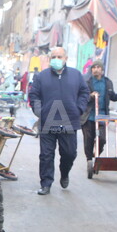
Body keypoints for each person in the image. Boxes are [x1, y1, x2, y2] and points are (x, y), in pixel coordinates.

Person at [27, 46, 90, 195]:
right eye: (53, 57)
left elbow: (84, 92)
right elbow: (34, 95)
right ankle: (46, 184)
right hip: (47, 121)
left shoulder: (76, 75)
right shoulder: (41, 77)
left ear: (66, 58)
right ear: (49, 59)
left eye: (59, 57)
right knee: (46, 155)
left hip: (69, 120)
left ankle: (64, 172)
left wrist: (79, 108)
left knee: (69, 153)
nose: (56, 60)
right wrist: (39, 111)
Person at [81, 60, 117, 164]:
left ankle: (96, 154)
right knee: (89, 140)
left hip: (102, 116)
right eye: (93, 68)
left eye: (98, 67)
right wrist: (90, 96)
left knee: (102, 139)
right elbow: (82, 97)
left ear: (102, 69)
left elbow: (112, 96)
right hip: (89, 116)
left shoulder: (108, 82)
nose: (95, 69)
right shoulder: (87, 83)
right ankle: (89, 160)